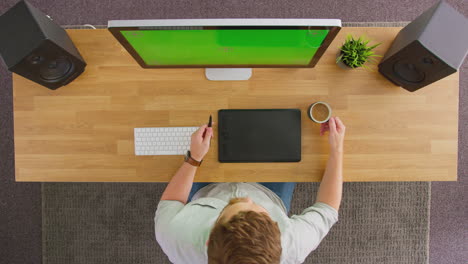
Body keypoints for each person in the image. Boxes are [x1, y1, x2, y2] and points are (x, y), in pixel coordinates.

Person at [154, 117, 346, 264]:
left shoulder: (176, 238)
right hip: (269, 192)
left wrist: (195, 158)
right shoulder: (292, 244)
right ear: (279, 233)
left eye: (232, 206)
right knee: (285, 132)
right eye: (256, 206)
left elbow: (171, 200)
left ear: (209, 238)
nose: (246, 197)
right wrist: (336, 149)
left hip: (206, 191)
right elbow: (327, 208)